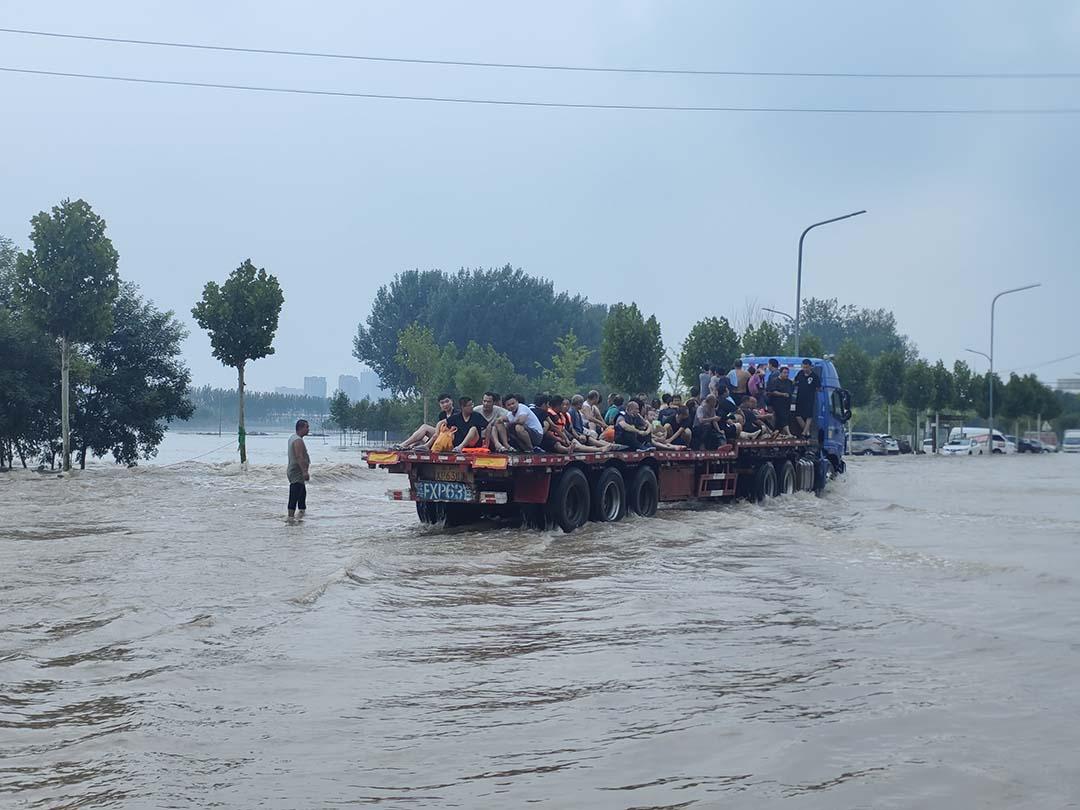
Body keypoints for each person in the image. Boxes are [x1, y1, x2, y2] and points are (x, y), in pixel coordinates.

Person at [287, 419, 311, 520]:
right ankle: (290, 518)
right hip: (296, 472)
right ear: (301, 428)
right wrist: (305, 471)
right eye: (307, 427)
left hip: (296, 471)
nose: (308, 429)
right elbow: (299, 456)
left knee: (302, 495)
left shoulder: (294, 438)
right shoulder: (297, 440)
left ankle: (301, 517)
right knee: (294, 494)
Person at [793, 358, 822, 438]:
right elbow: (795, 382)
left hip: (809, 399)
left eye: (806, 367)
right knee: (798, 415)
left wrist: (815, 388)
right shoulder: (800, 374)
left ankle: (804, 433)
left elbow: (819, 388)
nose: (805, 369)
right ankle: (807, 432)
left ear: (810, 367)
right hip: (800, 397)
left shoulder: (814, 376)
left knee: (809, 416)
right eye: (803, 367)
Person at [766, 366, 794, 436]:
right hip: (777, 403)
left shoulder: (789, 382)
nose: (786, 374)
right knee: (783, 417)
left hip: (787, 404)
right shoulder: (775, 381)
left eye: (787, 373)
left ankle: (779, 433)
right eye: (784, 373)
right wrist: (782, 394)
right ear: (780, 373)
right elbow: (772, 391)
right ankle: (789, 433)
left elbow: (791, 391)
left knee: (782, 419)